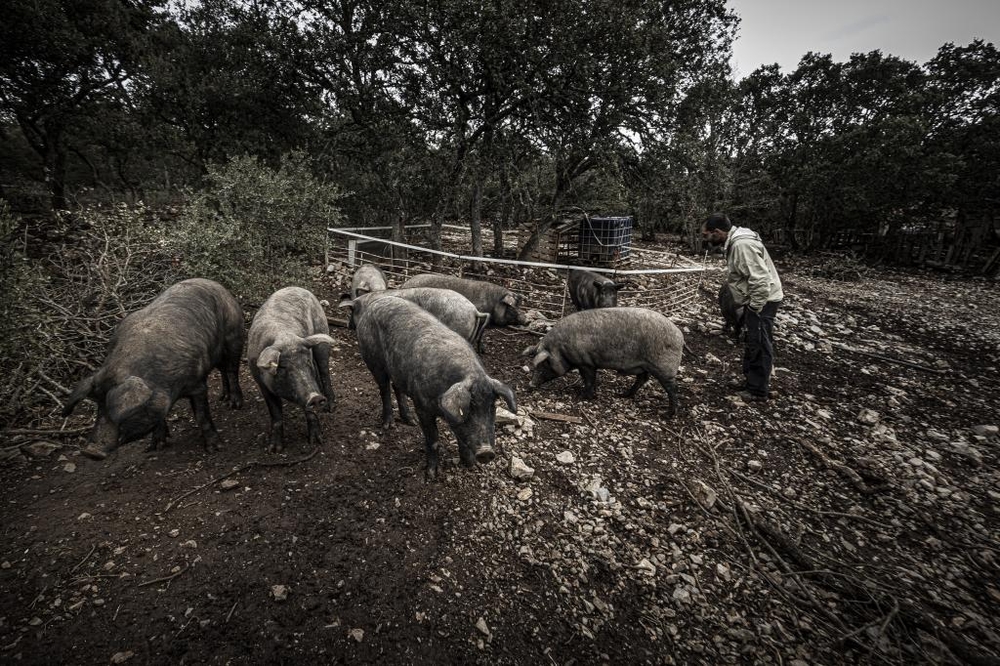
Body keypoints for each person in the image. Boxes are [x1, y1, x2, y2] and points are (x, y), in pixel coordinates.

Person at [702, 213, 784, 401]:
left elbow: (760, 279)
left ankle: (758, 390)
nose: (706, 240)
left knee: (760, 342)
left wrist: (755, 307)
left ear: (718, 232)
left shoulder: (741, 245)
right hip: (756, 298)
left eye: (707, 235)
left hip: (762, 300)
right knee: (752, 339)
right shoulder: (737, 241)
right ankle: (752, 381)